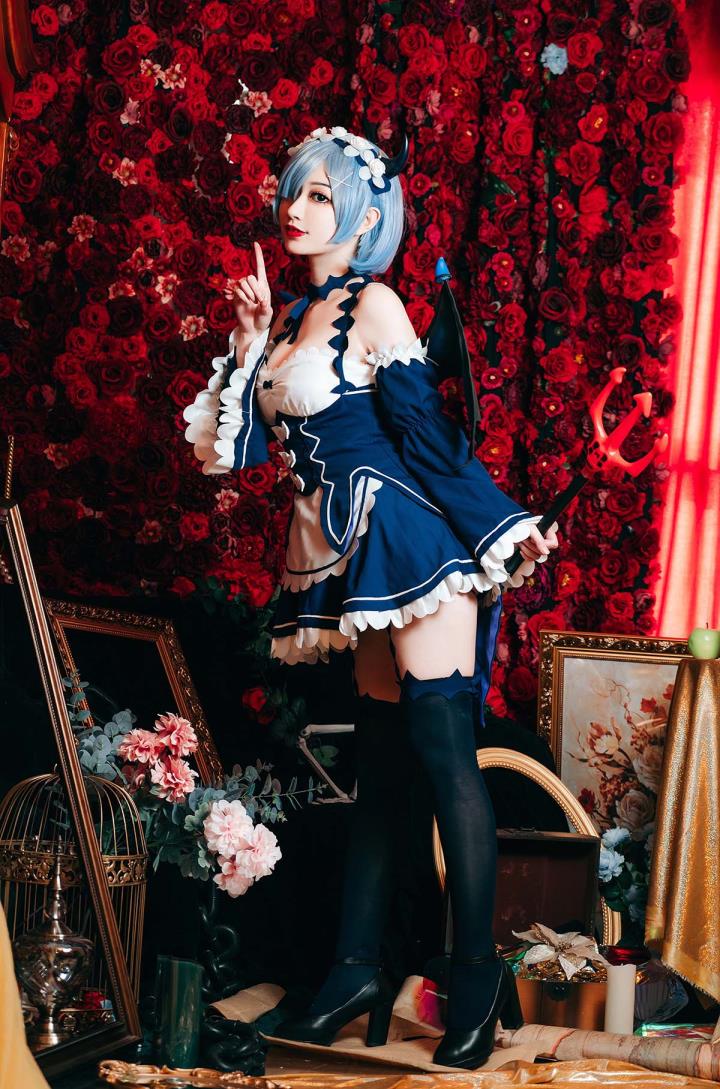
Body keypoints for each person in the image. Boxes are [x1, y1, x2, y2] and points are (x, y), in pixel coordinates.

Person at [184, 125, 558, 1070]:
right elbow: (238, 454)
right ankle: (354, 972)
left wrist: (503, 524)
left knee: (444, 758)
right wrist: (248, 340)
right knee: (383, 771)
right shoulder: (289, 321)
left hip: (407, 548)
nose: (296, 207)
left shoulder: (375, 304)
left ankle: (475, 979)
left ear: (359, 217)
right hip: (348, 561)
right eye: (293, 191)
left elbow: (427, 440)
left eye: (320, 195)